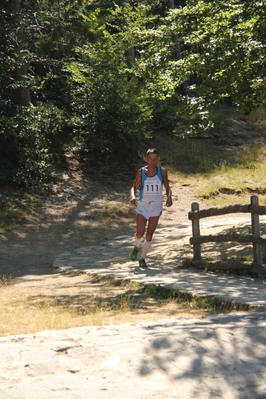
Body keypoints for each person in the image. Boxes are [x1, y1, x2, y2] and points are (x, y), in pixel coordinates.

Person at [129, 148, 173, 268]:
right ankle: (137, 246)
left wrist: (169, 197)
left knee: (149, 234)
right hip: (143, 204)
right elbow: (134, 187)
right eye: (150, 159)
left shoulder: (162, 172)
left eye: (155, 159)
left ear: (158, 159)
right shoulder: (141, 172)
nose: (152, 162)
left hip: (156, 205)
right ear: (146, 159)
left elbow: (168, 187)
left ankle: (142, 258)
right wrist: (133, 196)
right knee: (140, 232)